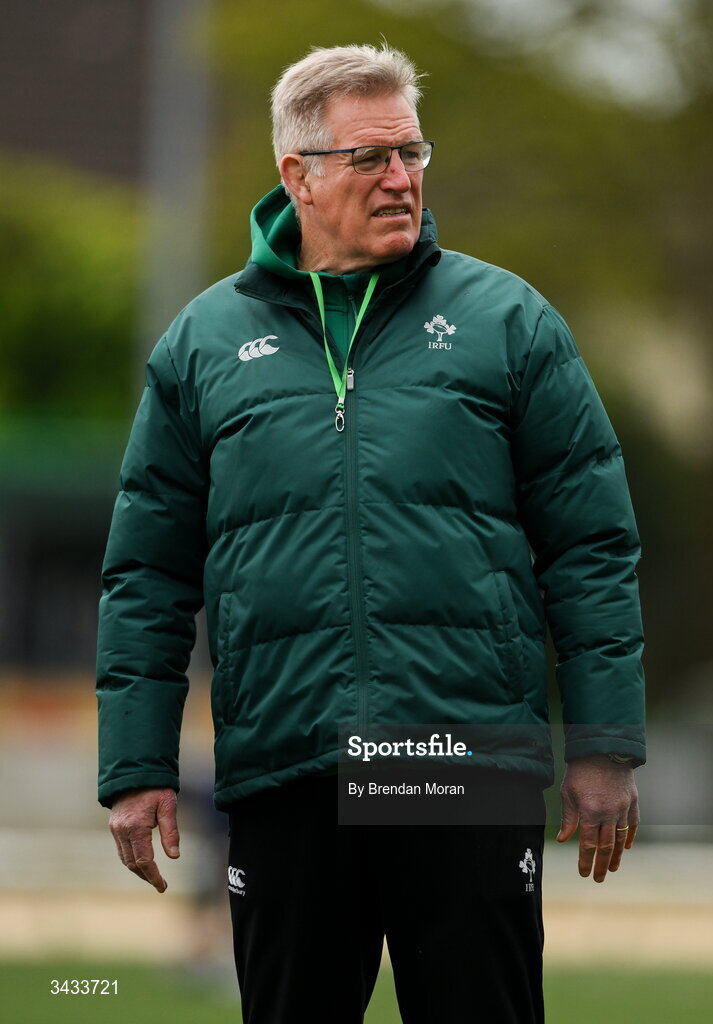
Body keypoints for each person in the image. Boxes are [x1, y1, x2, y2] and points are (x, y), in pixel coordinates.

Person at [98, 43, 645, 1024]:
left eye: (412, 152)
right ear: (295, 175)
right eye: (370, 157)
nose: (402, 179)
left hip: (459, 751)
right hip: (290, 757)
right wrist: (136, 765)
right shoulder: (202, 342)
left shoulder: (507, 323)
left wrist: (603, 745)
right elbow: (146, 573)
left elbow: (590, 545)